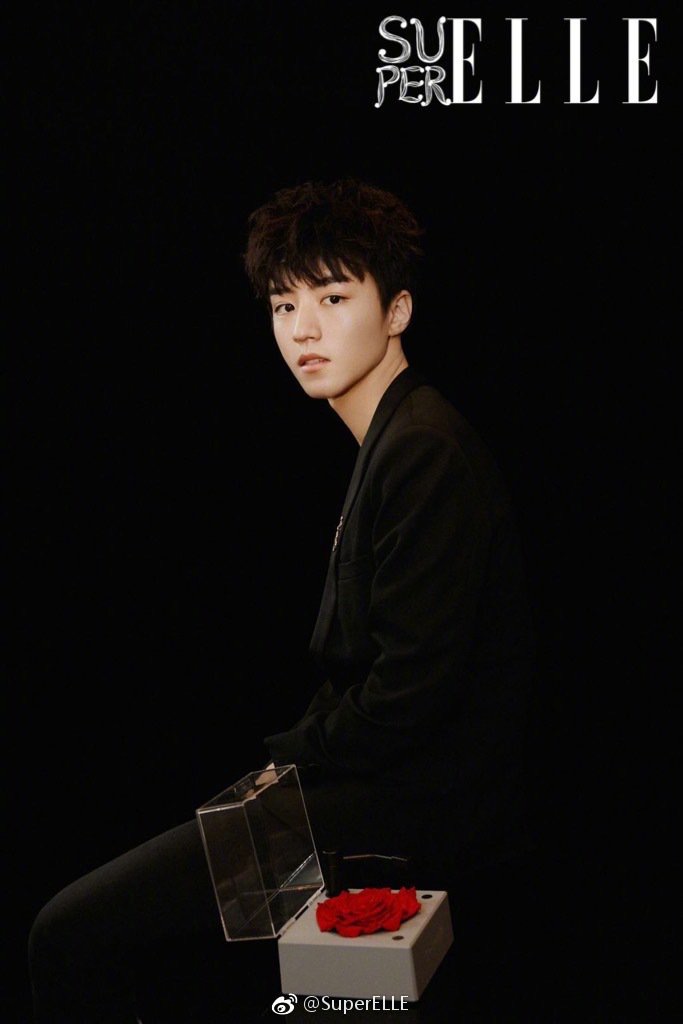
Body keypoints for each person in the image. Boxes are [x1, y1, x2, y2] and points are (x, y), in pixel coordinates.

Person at [28, 178, 539, 1022]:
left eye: (333, 298)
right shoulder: (394, 438)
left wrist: (287, 760)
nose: (303, 329)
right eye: (282, 305)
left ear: (397, 310)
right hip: (385, 785)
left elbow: (410, 695)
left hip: (419, 805)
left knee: (69, 933)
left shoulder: (422, 447)